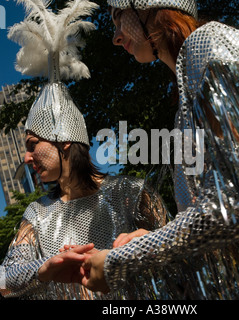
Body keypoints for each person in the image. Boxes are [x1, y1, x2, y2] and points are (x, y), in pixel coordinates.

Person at [45, 0, 239, 299]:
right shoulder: (185, 98)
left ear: (148, 8)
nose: (115, 37)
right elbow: (213, 213)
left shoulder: (208, 45)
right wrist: (157, 238)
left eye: (118, 18)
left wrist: (122, 261)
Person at [0, 0, 167, 300]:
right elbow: (5, 277)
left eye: (32, 145)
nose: (26, 158)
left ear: (63, 140)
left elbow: (182, 260)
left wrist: (145, 249)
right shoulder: (35, 215)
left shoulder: (132, 192)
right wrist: (45, 267)